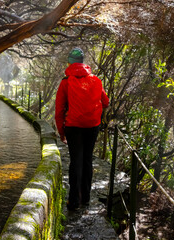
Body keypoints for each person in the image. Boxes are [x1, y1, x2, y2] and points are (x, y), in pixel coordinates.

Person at [55, 47, 109, 210]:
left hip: (73, 127)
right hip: (92, 126)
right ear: (83, 62)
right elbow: (105, 102)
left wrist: (61, 132)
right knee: (87, 160)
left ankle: (73, 201)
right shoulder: (96, 80)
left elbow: (59, 110)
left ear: (70, 63)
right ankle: (86, 197)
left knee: (76, 162)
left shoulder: (66, 82)